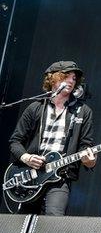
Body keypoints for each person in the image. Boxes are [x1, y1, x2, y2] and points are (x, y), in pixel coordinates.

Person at [8, 61, 96, 215]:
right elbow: (15, 141)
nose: (70, 81)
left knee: (53, 221)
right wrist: (26, 157)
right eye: (65, 76)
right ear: (52, 79)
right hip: (31, 174)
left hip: (60, 177)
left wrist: (90, 161)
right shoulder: (35, 107)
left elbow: (86, 146)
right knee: (23, 222)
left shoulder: (83, 111)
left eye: (74, 78)